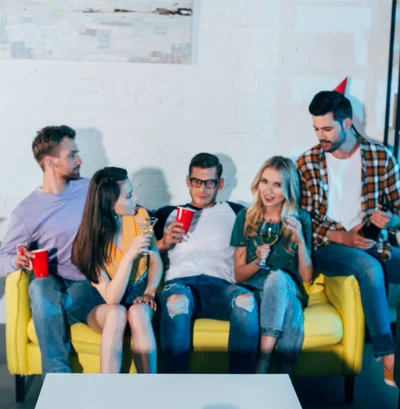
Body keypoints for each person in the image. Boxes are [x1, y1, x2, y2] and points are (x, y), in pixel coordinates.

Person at [297, 91, 400, 387]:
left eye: (327, 129)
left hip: (373, 244)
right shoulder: (307, 163)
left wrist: (390, 220)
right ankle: (388, 356)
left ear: (347, 123)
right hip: (327, 248)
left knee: (372, 261)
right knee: (368, 269)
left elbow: (399, 208)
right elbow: (303, 222)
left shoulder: (381, 156)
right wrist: (342, 236)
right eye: (316, 129)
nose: (321, 136)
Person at [0, 125, 105, 377]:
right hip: (51, 284)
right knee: (39, 286)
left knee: (47, 305)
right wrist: (18, 259)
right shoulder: (27, 211)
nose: (79, 160)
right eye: (71, 155)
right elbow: (2, 258)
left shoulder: (90, 189)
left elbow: (128, 208)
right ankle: (58, 379)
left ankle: (53, 317)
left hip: (86, 285)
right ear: (50, 161)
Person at [154, 152, 259, 374]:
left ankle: (244, 386)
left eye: (209, 183)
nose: (202, 189)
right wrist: (162, 243)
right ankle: (174, 388)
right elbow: (142, 256)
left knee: (245, 301)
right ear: (188, 181)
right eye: (197, 182)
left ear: (220, 184)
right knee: (176, 302)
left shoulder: (236, 213)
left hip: (220, 285)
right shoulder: (168, 215)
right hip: (179, 283)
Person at [72, 167, 163, 374]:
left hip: (139, 293)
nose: (136, 198)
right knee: (116, 313)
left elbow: (155, 260)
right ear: (109, 203)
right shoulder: (90, 239)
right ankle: (108, 391)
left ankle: (150, 388)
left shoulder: (141, 216)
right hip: (103, 301)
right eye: (129, 195)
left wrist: (150, 291)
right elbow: (112, 298)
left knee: (139, 312)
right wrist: (129, 256)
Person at [231, 156, 312, 375]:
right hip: (255, 288)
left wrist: (301, 242)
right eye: (265, 182)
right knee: (293, 309)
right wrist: (257, 261)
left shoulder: (300, 219)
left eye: (277, 185)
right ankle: (284, 378)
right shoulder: (245, 217)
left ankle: (263, 360)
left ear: (288, 189)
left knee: (277, 277)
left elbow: (306, 277)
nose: (268, 190)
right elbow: (238, 275)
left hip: (288, 287)